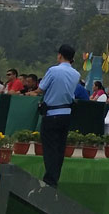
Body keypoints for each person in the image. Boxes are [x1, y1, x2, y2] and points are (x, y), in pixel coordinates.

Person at [29, 44, 80, 188]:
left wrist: (32, 93)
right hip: (66, 114)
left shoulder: (53, 70)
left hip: (52, 114)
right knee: (59, 149)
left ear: (60, 55)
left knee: (50, 149)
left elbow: (40, 89)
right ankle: (54, 179)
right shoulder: (76, 74)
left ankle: (50, 181)